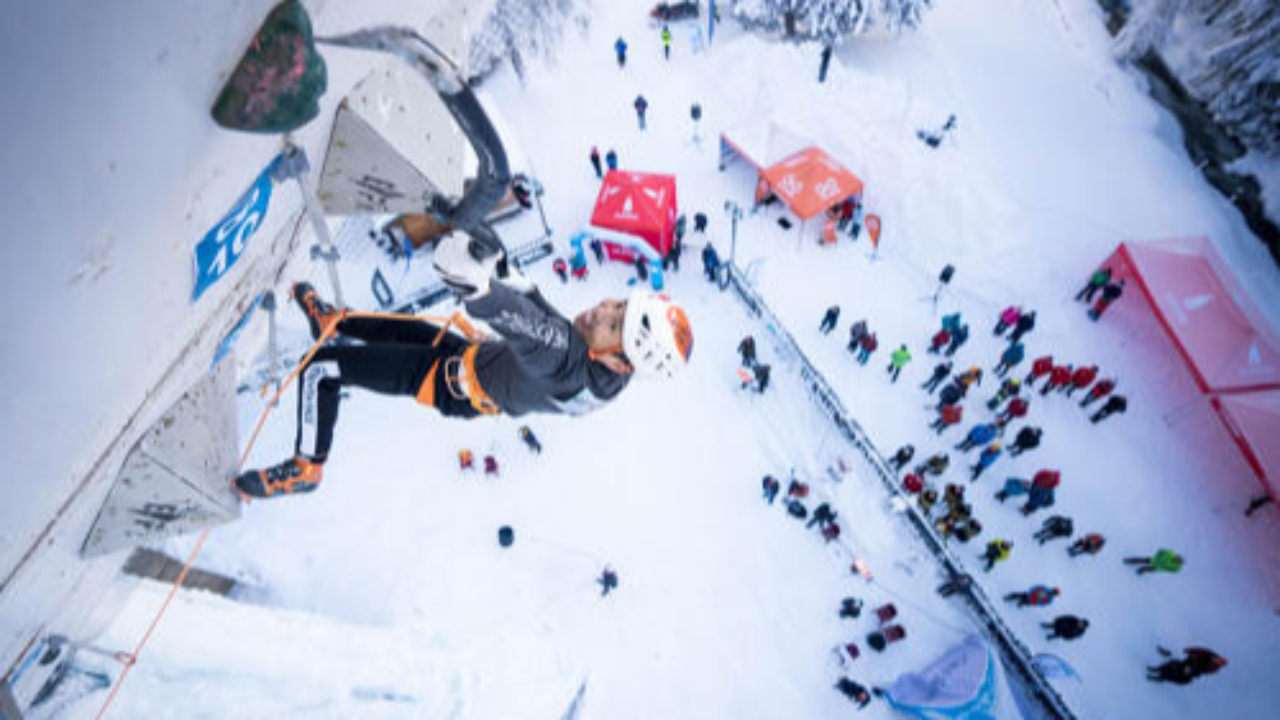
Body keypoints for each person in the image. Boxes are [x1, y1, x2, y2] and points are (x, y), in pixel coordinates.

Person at [234, 236, 693, 499]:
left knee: (324, 368)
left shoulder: (569, 363)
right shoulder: (604, 375)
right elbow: (555, 328)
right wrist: (512, 275)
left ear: (619, 358)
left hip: (450, 383)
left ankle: (306, 466)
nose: (601, 310)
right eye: (616, 305)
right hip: (470, 365)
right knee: (398, 328)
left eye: (614, 324)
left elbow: (538, 333)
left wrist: (483, 291)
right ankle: (330, 323)